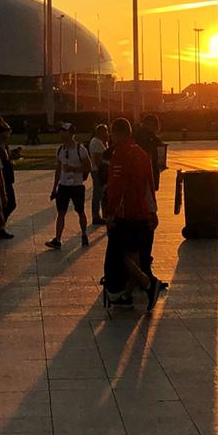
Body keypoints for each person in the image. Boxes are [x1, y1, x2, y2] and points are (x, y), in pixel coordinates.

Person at [103, 117, 165, 310]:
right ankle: (128, 294)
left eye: (112, 134)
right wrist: (152, 210)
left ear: (118, 134)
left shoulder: (120, 155)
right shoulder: (141, 153)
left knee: (119, 252)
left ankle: (148, 284)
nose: (111, 138)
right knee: (133, 253)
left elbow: (117, 187)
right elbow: (149, 184)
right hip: (141, 211)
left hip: (126, 213)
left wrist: (110, 213)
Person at [45, 123, 92, 249]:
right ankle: (57, 239)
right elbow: (58, 169)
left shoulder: (80, 149)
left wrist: (74, 169)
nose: (61, 134)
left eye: (64, 131)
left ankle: (84, 234)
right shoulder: (60, 149)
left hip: (77, 185)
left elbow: (88, 166)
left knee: (80, 211)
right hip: (63, 186)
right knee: (61, 212)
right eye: (61, 131)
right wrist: (54, 188)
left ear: (71, 133)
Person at [87, 123, 110, 227]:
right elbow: (97, 160)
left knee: (101, 193)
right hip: (98, 171)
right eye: (106, 131)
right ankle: (96, 216)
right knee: (98, 193)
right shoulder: (96, 142)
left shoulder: (100, 142)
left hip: (100, 171)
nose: (107, 133)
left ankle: (101, 215)